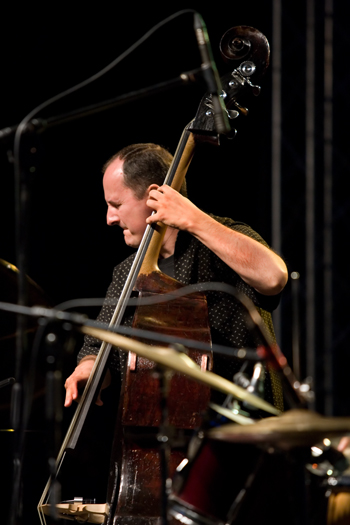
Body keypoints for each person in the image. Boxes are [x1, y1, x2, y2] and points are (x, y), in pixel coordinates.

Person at [64, 142, 288, 411]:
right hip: (155, 436)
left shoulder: (221, 241)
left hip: (239, 429)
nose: (110, 218)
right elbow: (98, 345)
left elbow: (273, 277)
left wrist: (192, 218)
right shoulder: (126, 272)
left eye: (116, 204)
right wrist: (88, 368)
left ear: (153, 197)